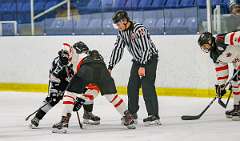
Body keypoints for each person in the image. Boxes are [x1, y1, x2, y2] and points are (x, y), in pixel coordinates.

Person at [52, 45, 136, 134]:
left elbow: (66, 47)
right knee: (112, 96)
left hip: (86, 69)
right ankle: (128, 117)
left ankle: (64, 122)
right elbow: (95, 88)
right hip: (103, 70)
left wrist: (64, 54)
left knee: (69, 93)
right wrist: (83, 99)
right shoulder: (95, 55)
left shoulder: (75, 52)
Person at [108, 10, 160, 125]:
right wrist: (110, 66)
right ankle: (132, 113)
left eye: (118, 24)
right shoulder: (121, 33)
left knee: (147, 86)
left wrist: (143, 65)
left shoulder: (139, 29)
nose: (117, 26)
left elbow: (146, 49)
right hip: (137, 60)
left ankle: (154, 116)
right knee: (132, 86)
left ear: (124, 21)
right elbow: (118, 49)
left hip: (149, 59)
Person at [198, 31, 240, 121]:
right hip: (237, 62)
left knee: (238, 82)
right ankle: (237, 107)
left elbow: (238, 36)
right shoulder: (214, 55)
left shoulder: (221, 39)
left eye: (205, 45)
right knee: (235, 82)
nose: (205, 48)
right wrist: (221, 86)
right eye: (203, 47)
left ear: (210, 41)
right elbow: (222, 71)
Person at [29, 48, 74, 128]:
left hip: (67, 82)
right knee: (52, 100)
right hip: (58, 83)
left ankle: (87, 114)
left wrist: (72, 79)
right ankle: (37, 118)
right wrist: (54, 91)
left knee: (75, 99)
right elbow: (53, 78)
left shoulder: (71, 61)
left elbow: (72, 73)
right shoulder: (58, 64)